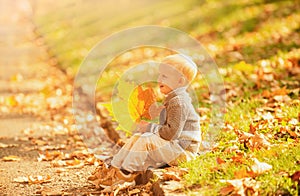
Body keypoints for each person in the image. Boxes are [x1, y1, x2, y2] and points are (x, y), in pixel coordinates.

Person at [94, 54, 201, 187]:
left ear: (180, 81)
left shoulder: (179, 102)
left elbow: (170, 133)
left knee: (145, 139)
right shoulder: (172, 99)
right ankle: (114, 169)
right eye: (160, 75)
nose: (159, 79)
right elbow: (165, 129)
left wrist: (149, 128)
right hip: (173, 147)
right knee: (138, 137)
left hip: (183, 153)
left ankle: (126, 175)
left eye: (165, 76)